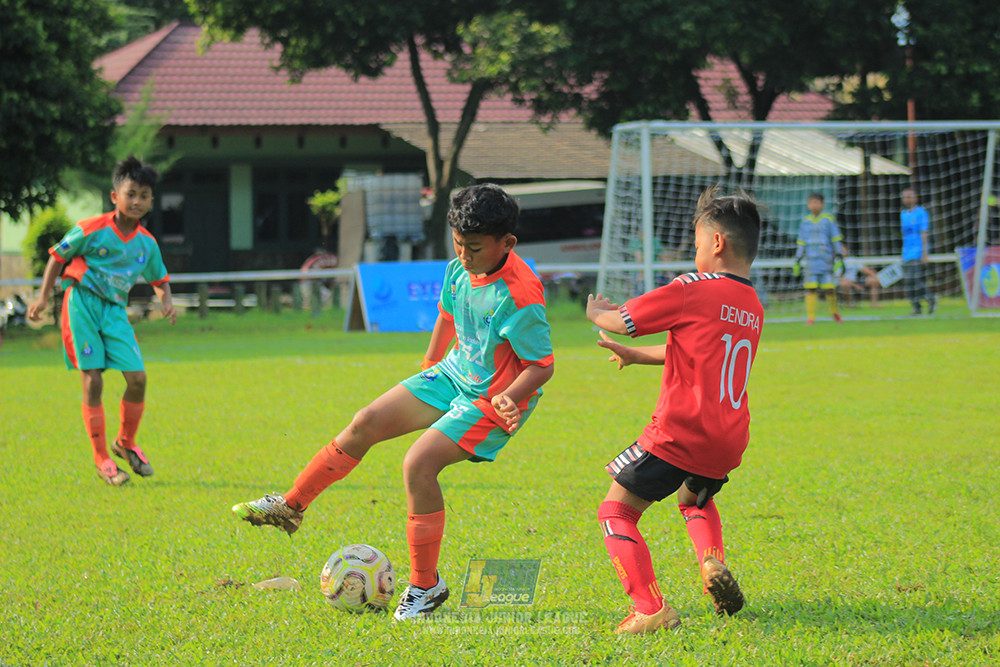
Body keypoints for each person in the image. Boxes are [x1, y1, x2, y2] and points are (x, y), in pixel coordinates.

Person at [232, 183, 555, 621]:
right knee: (365, 421)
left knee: (417, 465)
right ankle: (290, 506)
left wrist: (509, 399)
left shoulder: (521, 295)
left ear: (508, 243)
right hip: (452, 374)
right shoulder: (459, 269)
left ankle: (426, 587)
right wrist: (428, 366)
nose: (464, 256)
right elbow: (446, 314)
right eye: (458, 244)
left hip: (493, 397)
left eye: (475, 249)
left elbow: (541, 366)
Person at [586, 186, 763, 634]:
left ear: (717, 243)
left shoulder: (692, 287)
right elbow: (696, 351)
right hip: (727, 437)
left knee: (616, 512)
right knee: (693, 497)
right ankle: (711, 566)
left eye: (698, 240)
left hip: (680, 432)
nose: (696, 249)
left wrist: (596, 312)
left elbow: (624, 319)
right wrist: (637, 357)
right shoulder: (753, 304)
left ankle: (650, 609)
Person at [27, 156, 176, 486]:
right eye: (131, 193)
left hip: (114, 311)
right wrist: (42, 297)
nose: (136, 201)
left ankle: (124, 443)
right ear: (115, 196)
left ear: (152, 201)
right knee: (93, 379)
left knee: (137, 378)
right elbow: (57, 257)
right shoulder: (91, 228)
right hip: (81, 303)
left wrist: (166, 298)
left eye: (144, 195)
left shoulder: (146, 244)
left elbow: (159, 277)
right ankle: (101, 459)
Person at [793, 193, 845, 324]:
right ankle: (811, 317)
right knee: (811, 287)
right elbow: (801, 241)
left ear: (822, 204)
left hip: (826, 260)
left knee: (829, 287)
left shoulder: (828, 220)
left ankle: (835, 313)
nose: (814, 205)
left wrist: (839, 255)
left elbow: (835, 238)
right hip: (811, 261)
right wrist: (798, 258)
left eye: (816, 202)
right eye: (811, 202)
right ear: (808, 205)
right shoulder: (805, 222)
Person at [900, 188, 936, 315]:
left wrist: (924, 254)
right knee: (908, 282)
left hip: (918, 252)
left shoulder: (921, 213)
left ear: (915, 198)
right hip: (906, 253)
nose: (907, 199)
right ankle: (917, 307)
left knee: (914, 279)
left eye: (909, 196)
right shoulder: (903, 214)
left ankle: (931, 298)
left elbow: (924, 233)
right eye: (905, 197)